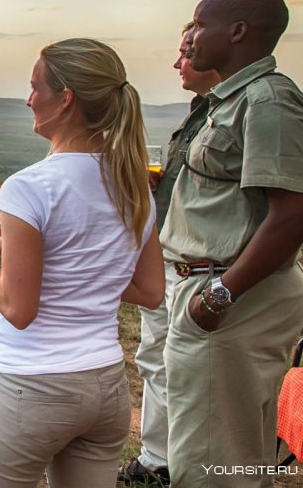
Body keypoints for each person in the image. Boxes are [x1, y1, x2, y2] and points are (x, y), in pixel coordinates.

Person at [0, 39, 164, 487]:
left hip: (29, 387)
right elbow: (151, 291)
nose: (29, 98)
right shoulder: (134, 186)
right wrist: (80, 273)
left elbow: (18, 309)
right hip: (106, 388)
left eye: (36, 88)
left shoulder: (28, 188)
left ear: (65, 97)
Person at [161, 0, 303, 487]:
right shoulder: (231, 100)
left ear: (238, 31)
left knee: (210, 467)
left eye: (200, 24)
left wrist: (221, 296)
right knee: (236, 454)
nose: (190, 38)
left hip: (229, 297)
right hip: (213, 289)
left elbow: (291, 214)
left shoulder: (267, 101)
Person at [119, 24, 221, 485]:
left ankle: (197, 469)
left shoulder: (255, 108)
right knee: (155, 358)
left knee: (193, 376)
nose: (178, 62)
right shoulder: (203, 111)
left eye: (186, 51)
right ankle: (158, 460)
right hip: (171, 258)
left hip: (206, 270)